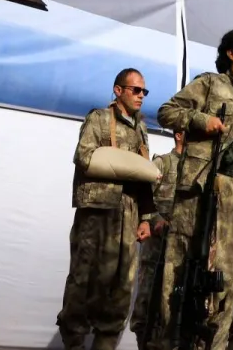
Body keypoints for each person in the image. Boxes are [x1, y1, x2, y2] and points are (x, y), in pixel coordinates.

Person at [155, 28, 233, 350]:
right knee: (199, 281)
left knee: (230, 282)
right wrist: (202, 120)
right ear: (231, 53)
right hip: (211, 190)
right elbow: (166, 112)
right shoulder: (211, 84)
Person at [57, 69, 159, 350]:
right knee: (85, 278)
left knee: (121, 286)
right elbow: (84, 156)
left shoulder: (141, 127)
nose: (141, 96)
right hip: (99, 211)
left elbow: (142, 174)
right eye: (135, 90)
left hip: (130, 211)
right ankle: (74, 341)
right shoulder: (99, 119)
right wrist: (123, 164)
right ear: (118, 90)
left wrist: (146, 218)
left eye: (144, 91)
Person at [132, 129, 186, 350]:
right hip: (157, 247)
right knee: (147, 305)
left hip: (181, 250)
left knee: (173, 308)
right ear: (179, 135)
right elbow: (145, 201)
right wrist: (157, 221)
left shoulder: (198, 170)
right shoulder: (163, 163)